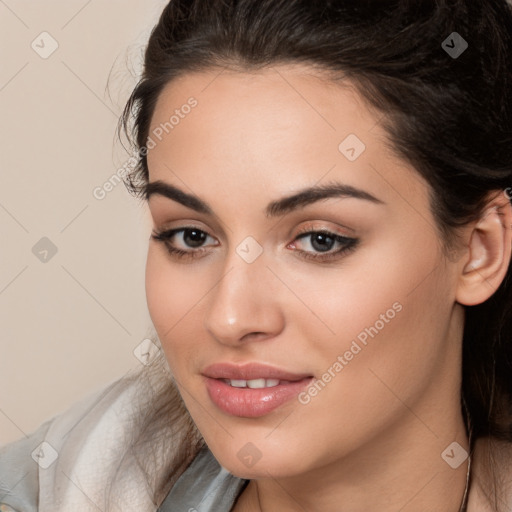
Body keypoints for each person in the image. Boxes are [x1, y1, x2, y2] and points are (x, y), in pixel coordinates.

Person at [2, 0, 512, 510]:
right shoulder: (81, 477)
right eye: (191, 236)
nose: (229, 317)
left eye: (320, 240)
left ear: (479, 251)